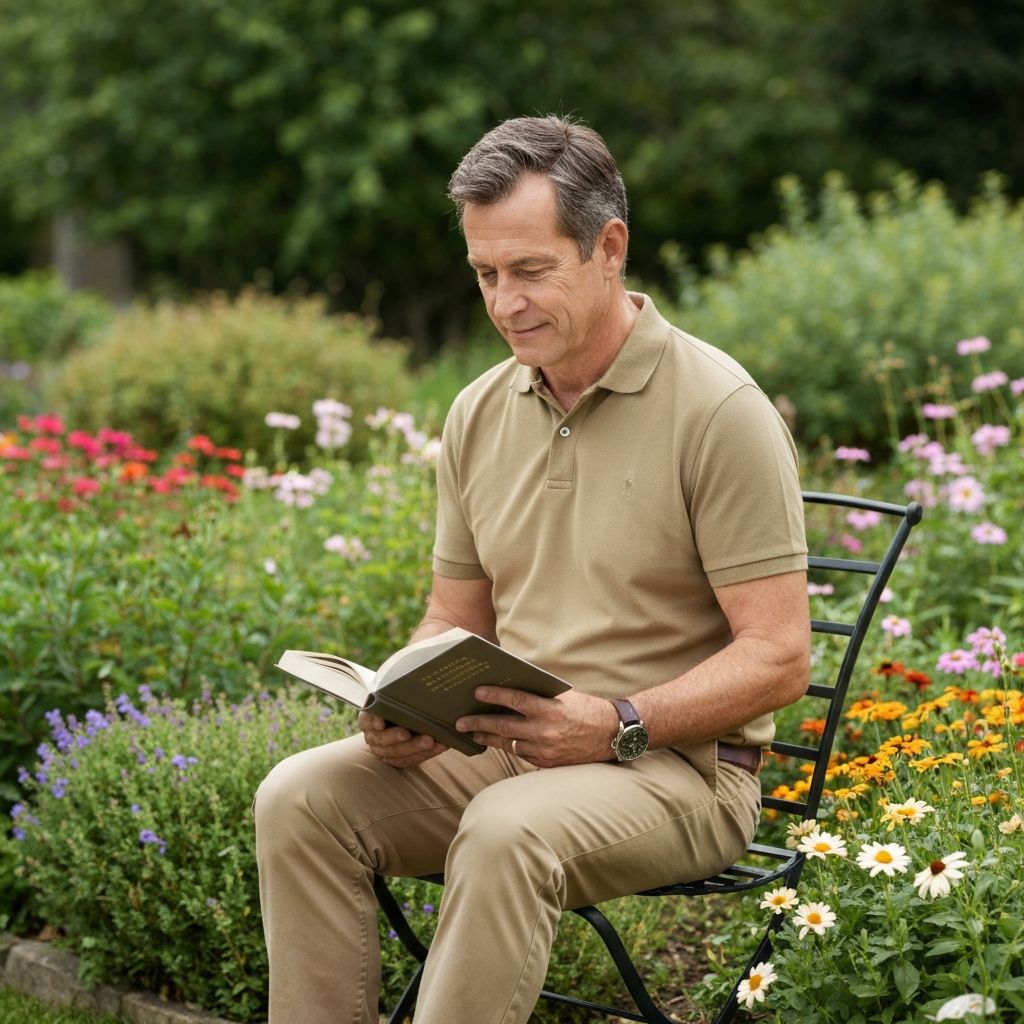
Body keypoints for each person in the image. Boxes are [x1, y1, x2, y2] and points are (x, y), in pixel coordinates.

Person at [254, 115, 810, 1024]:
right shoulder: (479, 410)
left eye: (530, 271)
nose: (505, 302)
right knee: (300, 800)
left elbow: (782, 657)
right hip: (508, 751)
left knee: (507, 834)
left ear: (608, 247)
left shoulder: (720, 412)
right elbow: (452, 615)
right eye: (485, 274)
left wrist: (618, 722)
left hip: (678, 770)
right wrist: (406, 699)